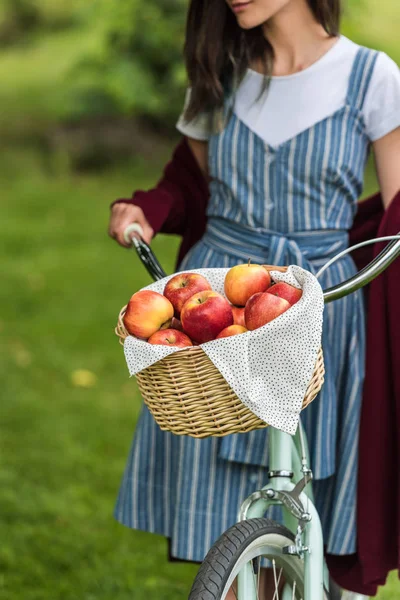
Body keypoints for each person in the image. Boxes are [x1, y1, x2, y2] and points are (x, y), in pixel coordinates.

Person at [109, 0, 400, 597]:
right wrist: (147, 209)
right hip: (216, 312)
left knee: (308, 491)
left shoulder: (372, 77)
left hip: (316, 308)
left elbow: (398, 213)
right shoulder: (218, 72)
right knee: (223, 499)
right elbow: (188, 184)